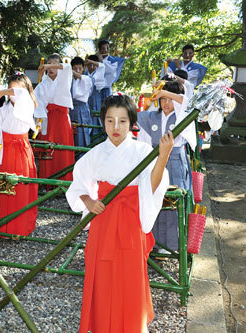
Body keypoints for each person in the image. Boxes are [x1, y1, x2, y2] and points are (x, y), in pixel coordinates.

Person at [66, 94, 172, 332]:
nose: (116, 127)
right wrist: (88, 201)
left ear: (132, 122)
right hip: (103, 219)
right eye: (110, 120)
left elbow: (151, 186)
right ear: (103, 121)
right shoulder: (95, 154)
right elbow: (78, 187)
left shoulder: (143, 151)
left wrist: (162, 156)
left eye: (122, 121)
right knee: (102, 276)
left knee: (129, 277)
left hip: (130, 221)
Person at [137, 81, 196, 253]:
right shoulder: (150, 117)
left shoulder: (182, 115)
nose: (166, 103)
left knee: (173, 202)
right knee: (154, 199)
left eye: (169, 99)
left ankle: (172, 245)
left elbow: (186, 101)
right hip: (155, 161)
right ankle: (154, 243)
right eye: (162, 100)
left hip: (175, 161)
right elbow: (144, 143)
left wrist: (164, 92)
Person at [0, 73, 38, 236]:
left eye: (15, 90)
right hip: (5, 152)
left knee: (19, 189)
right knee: (5, 188)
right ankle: (4, 227)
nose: (12, 93)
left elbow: (23, 96)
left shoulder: (27, 104)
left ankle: (20, 228)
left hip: (20, 151)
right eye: (10, 89)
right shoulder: (4, 110)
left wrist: (4, 91)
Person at [34, 53, 75, 180]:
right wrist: (38, 123)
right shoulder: (43, 84)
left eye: (54, 65)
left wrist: (46, 66)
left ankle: (64, 180)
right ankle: (49, 181)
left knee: (62, 150)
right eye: (49, 64)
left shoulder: (64, 79)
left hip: (62, 118)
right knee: (49, 149)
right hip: (48, 119)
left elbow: (67, 67)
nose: (51, 68)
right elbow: (37, 104)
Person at [69, 57, 94, 147]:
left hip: (82, 109)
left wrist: (71, 71)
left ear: (84, 68)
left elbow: (80, 77)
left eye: (80, 68)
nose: (77, 71)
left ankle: (82, 158)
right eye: (75, 68)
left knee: (81, 135)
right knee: (71, 135)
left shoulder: (87, 79)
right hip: (71, 109)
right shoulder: (70, 80)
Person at [85, 55, 106, 137]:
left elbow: (102, 66)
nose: (92, 67)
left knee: (96, 118)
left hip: (95, 98)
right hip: (86, 100)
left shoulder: (99, 72)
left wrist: (90, 61)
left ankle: (97, 138)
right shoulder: (84, 74)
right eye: (89, 65)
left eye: (94, 65)